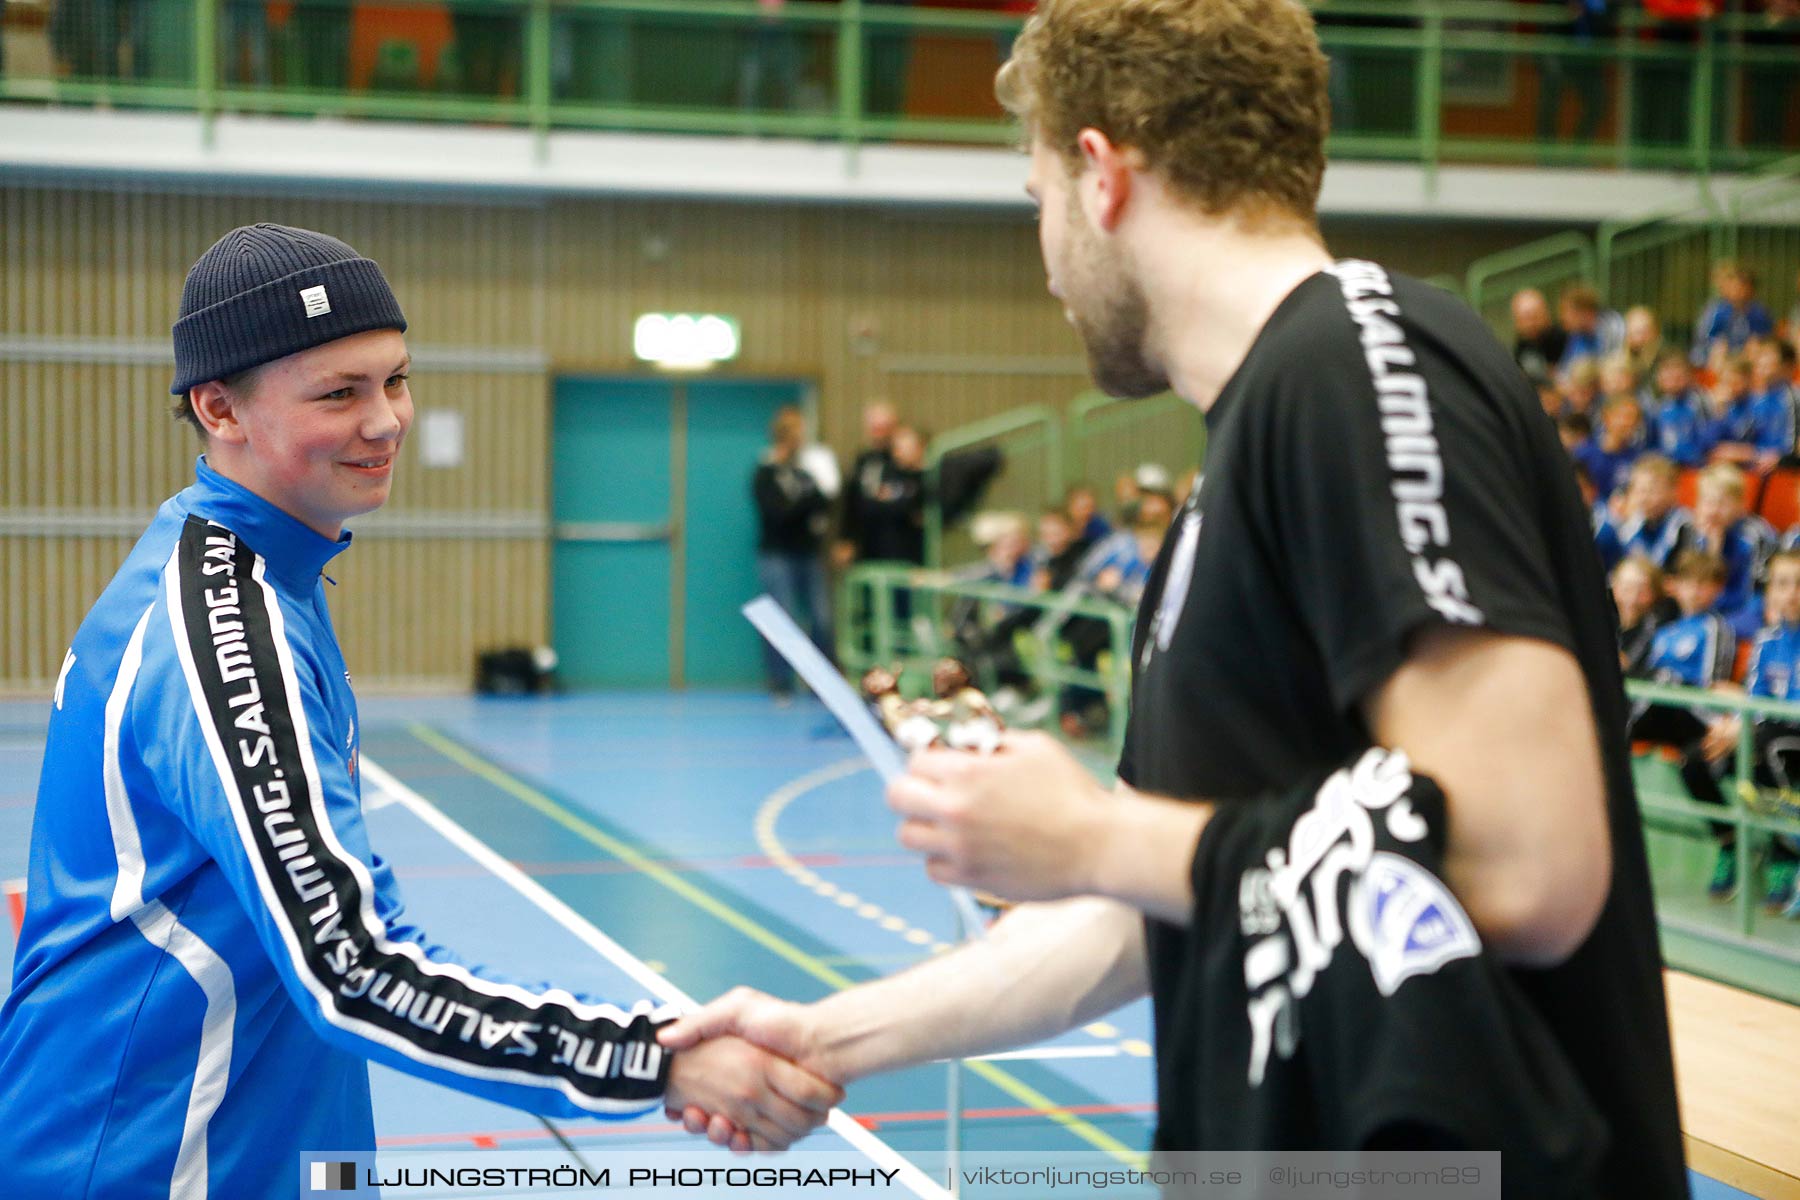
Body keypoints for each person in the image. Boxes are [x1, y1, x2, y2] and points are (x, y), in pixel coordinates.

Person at [661, 3, 1687, 1193]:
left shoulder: (1360, 362)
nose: (1043, 253)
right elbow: (1159, 900)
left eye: (1037, 198)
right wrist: (828, 1039)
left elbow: (1527, 866)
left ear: (1101, 176)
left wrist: (1095, 832)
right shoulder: (1246, 452)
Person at [0, 225, 841, 1195]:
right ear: (217, 408)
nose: (387, 420)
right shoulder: (223, 632)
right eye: (339, 393)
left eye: (394, 380)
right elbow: (351, 966)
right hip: (144, 1160)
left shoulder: (264, 573)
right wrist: (658, 1058)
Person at [1627, 550, 1740, 898]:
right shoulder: (1666, 630)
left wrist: (1669, 683)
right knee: (1638, 699)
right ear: (1675, 587)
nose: (1694, 591)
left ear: (1716, 590)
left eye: (1704, 585)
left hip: (1697, 715)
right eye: (1689, 583)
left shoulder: (1716, 627)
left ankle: (1729, 842)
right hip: (1662, 712)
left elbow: (1714, 683)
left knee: (1694, 760)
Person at [1698, 549, 1800, 913]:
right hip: (1770, 731)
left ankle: (1787, 853)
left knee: (1767, 749)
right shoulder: (1767, 640)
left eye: (1799, 585)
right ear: (1769, 592)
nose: (1791, 593)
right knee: (1700, 759)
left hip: (1788, 735)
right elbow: (1755, 697)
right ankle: (1730, 843)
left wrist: (1746, 728)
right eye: (1782, 584)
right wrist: (1734, 726)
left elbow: (1790, 706)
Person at [752, 406, 837, 702]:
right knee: (781, 618)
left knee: (821, 617)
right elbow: (778, 514)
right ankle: (780, 680)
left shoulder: (805, 473)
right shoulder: (765, 473)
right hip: (777, 555)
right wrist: (804, 503)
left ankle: (822, 682)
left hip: (807, 554)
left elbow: (823, 503)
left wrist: (806, 499)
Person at [1595, 453, 1691, 570]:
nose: (1644, 498)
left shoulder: (1685, 526)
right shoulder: (1630, 526)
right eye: (1640, 490)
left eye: (1652, 490)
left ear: (1674, 491)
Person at [1693, 261, 1776, 365]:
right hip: (1719, 355)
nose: (1738, 291)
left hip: (1747, 356)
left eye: (1743, 286)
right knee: (1719, 348)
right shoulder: (1716, 311)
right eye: (1734, 286)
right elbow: (1705, 337)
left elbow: (1766, 337)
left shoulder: (1759, 313)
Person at [1612, 554, 1665, 677]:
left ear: (1654, 594)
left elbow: (1627, 664)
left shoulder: (1658, 627)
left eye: (1642, 591)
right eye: (1627, 588)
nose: (1633, 598)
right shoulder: (1599, 619)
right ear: (1615, 587)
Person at [1511, 286, 1568, 386]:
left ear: (1545, 314)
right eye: (1524, 319)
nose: (1530, 324)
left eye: (1534, 317)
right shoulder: (1521, 347)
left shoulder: (1563, 338)